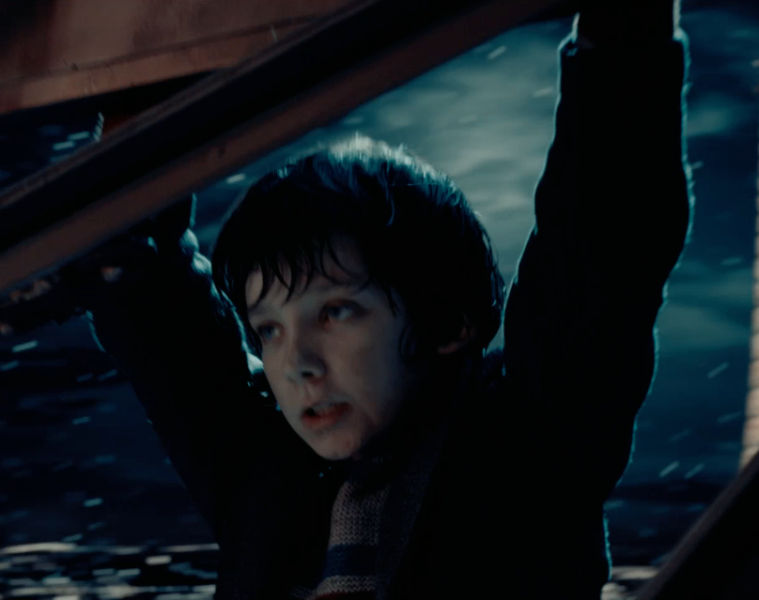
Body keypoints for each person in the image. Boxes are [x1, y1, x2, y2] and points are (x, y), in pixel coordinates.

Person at [0, 3, 693, 598]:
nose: (296, 363)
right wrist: (146, 73)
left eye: (335, 313)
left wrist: (623, 42)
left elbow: (604, 237)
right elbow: (148, 295)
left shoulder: (528, 449)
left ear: (449, 321)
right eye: (267, 330)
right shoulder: (266, 476)